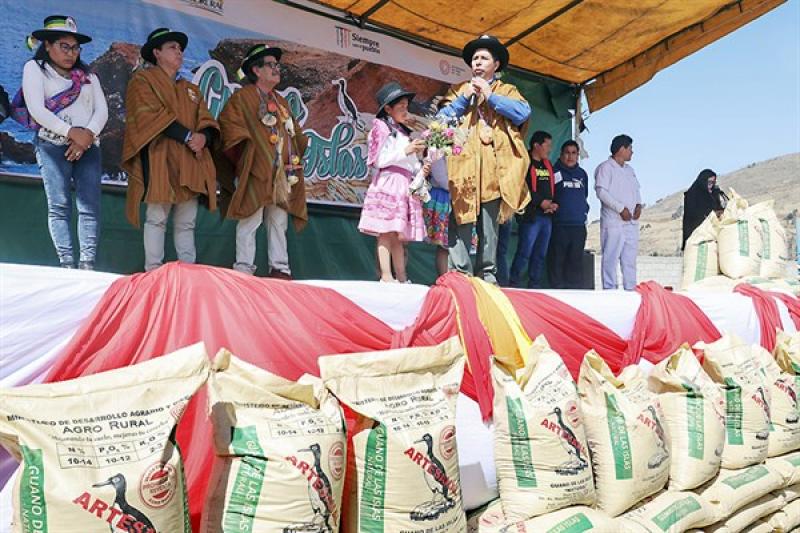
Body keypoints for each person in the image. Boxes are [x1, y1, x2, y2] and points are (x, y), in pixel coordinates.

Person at [12, 15, 108, 269]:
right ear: (47, 46)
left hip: (88, 148)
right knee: (59, 205)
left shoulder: (88, 77)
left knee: (90, 206)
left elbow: (102, 112)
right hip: (51, 146)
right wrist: (70, 132)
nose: (71, 53)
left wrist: (85, 137)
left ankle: (87, 262)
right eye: (64, 46)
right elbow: (37, 109)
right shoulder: (34, 69)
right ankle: (66, 263)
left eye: (75, 47)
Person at [122, 28, 219, 272]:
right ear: (156, 53)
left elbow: (207, 120)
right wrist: (188, 136)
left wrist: (203, 137)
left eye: (181, 49)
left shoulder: (191, 89)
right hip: (159, 159)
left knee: (187, 222)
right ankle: (153, 270)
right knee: (156, 217)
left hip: (189, 161)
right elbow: (148, 115)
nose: (179, 52)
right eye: (172, 48)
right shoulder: (142, 81)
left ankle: (188, 271)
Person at [438, 35, 531, 284]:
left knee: (490, 229)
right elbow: (441, 120)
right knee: (461, 221)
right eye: (475, 58)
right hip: (464, 168)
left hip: (494, 170)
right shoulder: (459, 90)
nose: (478, 62)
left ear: (496, 65)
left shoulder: (507, 91)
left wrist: (491, 97)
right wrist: (463, 99)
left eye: (484, 58)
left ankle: (487, 275)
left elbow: (523, 113)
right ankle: (460, 275)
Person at [216, 44, 308, 279]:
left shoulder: (282, 102)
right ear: (256, 70)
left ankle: (280, 268)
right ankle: (244, 269)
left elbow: (294, 133)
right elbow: (227, 127)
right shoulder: (242, 97)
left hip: (281, 173)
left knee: (279, 221)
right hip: (255, 171)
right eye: (271, 65)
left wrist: (294, 149)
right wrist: (248, 156)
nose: (277, 69)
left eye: (277, 65)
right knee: (250, 219)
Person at [358, 81, 428, 283]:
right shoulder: (380, 129)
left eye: (407, 106)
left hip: (404, 185)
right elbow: (379, 160)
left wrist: (422, 166)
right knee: (385, 231)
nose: (406, 110)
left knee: (399, 234)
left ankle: (402, 276)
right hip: (388, 183)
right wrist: (406, 151)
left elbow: (411, 165)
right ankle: (386, 275)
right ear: (388, 109)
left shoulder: (404, 133)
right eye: (401, 106)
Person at [509, 131, 557, 288]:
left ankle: (534, 285)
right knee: (524, 252)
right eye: (547, 145)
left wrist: (553, 204)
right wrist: (540, 202)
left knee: (540, 254)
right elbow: (522, 187)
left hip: (547, 217)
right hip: (531, 216)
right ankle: (514, 283)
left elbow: (551, 189)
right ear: (536, 145)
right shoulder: (526, 163)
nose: (549, 149)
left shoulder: (547, 165)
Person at [594, 134, 642, 291]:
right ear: (621, 149)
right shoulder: (605, 168)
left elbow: (636, 191)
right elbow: (601, 192)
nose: (632, 152)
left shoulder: (630, 170)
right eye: (630, 148)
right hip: (614, 222)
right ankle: (610, 291)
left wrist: (638, 205)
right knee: (610, 259)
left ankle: (631, 290)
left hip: (631, 223)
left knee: (629, 260)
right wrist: (620, 208)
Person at [548, 140, 589, 289]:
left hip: (578, 226)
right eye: (567, 153)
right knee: (557, 261)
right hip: (560, 226)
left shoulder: (582, 174)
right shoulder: (554, 172)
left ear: (578, 155)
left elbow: (584, 195)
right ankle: (557, 293)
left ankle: (575, 294)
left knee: (575, 262)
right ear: (561, 154)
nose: (570, 156)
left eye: (574, 153)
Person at [682, 168, 727, 250]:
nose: (711, 185)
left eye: (713, 182)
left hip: (711, 235)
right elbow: (694, 215)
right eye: (709, 182)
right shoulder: (691, 195)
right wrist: (713, 213)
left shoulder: (714, 194)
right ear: (703, 181)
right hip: (695, 235)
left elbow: (718, 209)